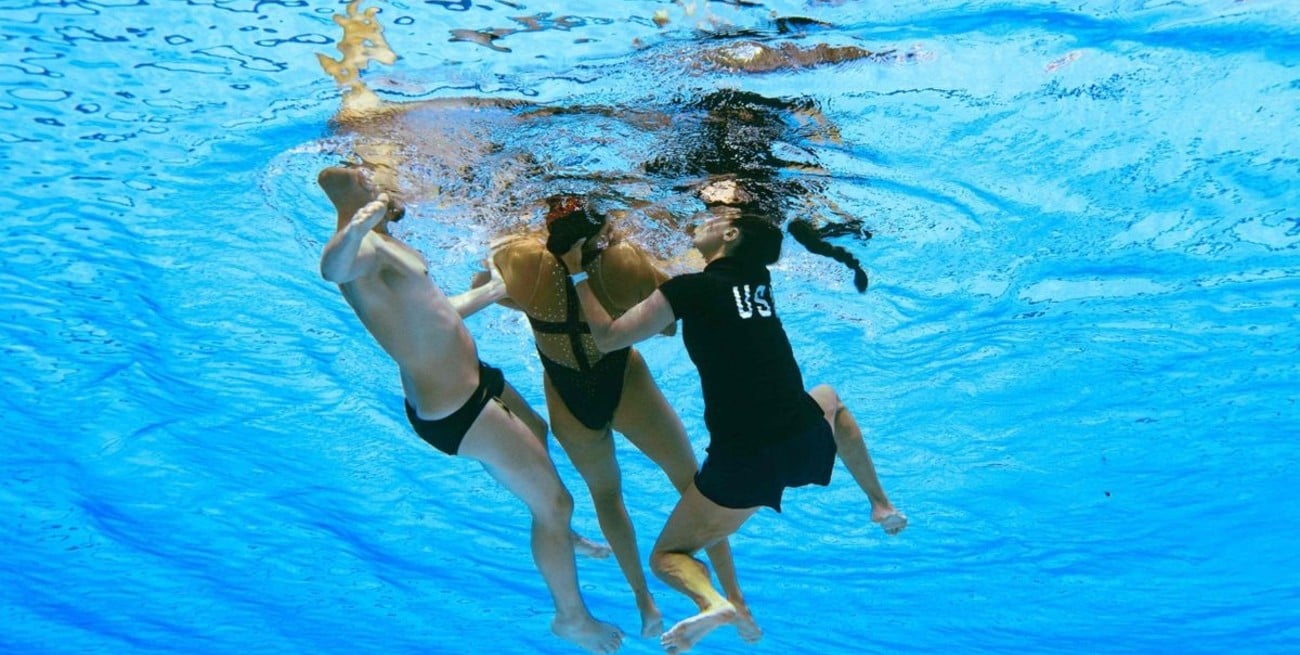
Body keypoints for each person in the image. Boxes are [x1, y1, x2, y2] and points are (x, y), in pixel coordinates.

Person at [558, 210, 907, 653]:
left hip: (742, 466)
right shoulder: (760, 285)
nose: (700, 220)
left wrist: (578, 273)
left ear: (731, 233)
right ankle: (880, 503)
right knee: (830, 399)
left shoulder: (690, 290)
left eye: (713, 217)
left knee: (666, 558)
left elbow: (608, 338)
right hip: (800, 441)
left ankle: (713, 603)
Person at [316, 166, 623, 654]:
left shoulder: (381, 241)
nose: (376, 177)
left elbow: (435, 311)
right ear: (353, 193)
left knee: (537, 430)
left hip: (473, 380)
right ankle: (571, 618)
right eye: (365, 176)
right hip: (458, 409)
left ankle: (560, 535)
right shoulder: (361, 249)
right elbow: (332, 269)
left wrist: (493, 290)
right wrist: (353, 225)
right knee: (555, 503)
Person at [482, 195, 759, 641]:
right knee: (692, 481)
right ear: (599, 230)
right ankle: (730, 595)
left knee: (606, 496)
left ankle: (643, 602)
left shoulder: (521, 260)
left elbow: (490, 290)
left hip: (567, 393)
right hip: (624, 380)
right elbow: (668, 324)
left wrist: (535, 305)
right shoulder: (623, 261)